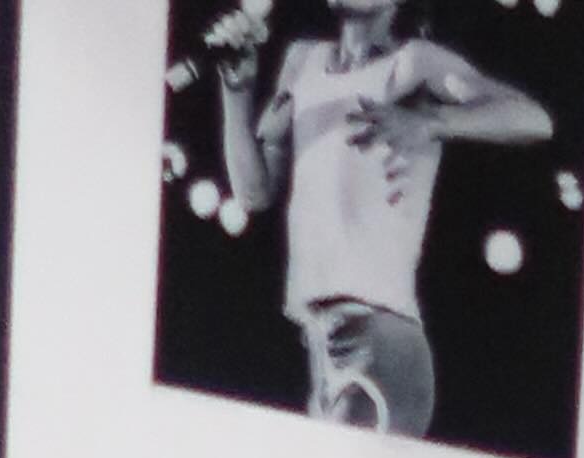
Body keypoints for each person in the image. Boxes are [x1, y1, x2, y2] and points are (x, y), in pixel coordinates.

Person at [206, 0, 550, 436]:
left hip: (380, 337)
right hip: (319, 346)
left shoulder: (414, 64)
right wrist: (237, 92)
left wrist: (430, 121)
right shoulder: (301, 60)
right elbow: (254, 193)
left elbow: (533, 119)